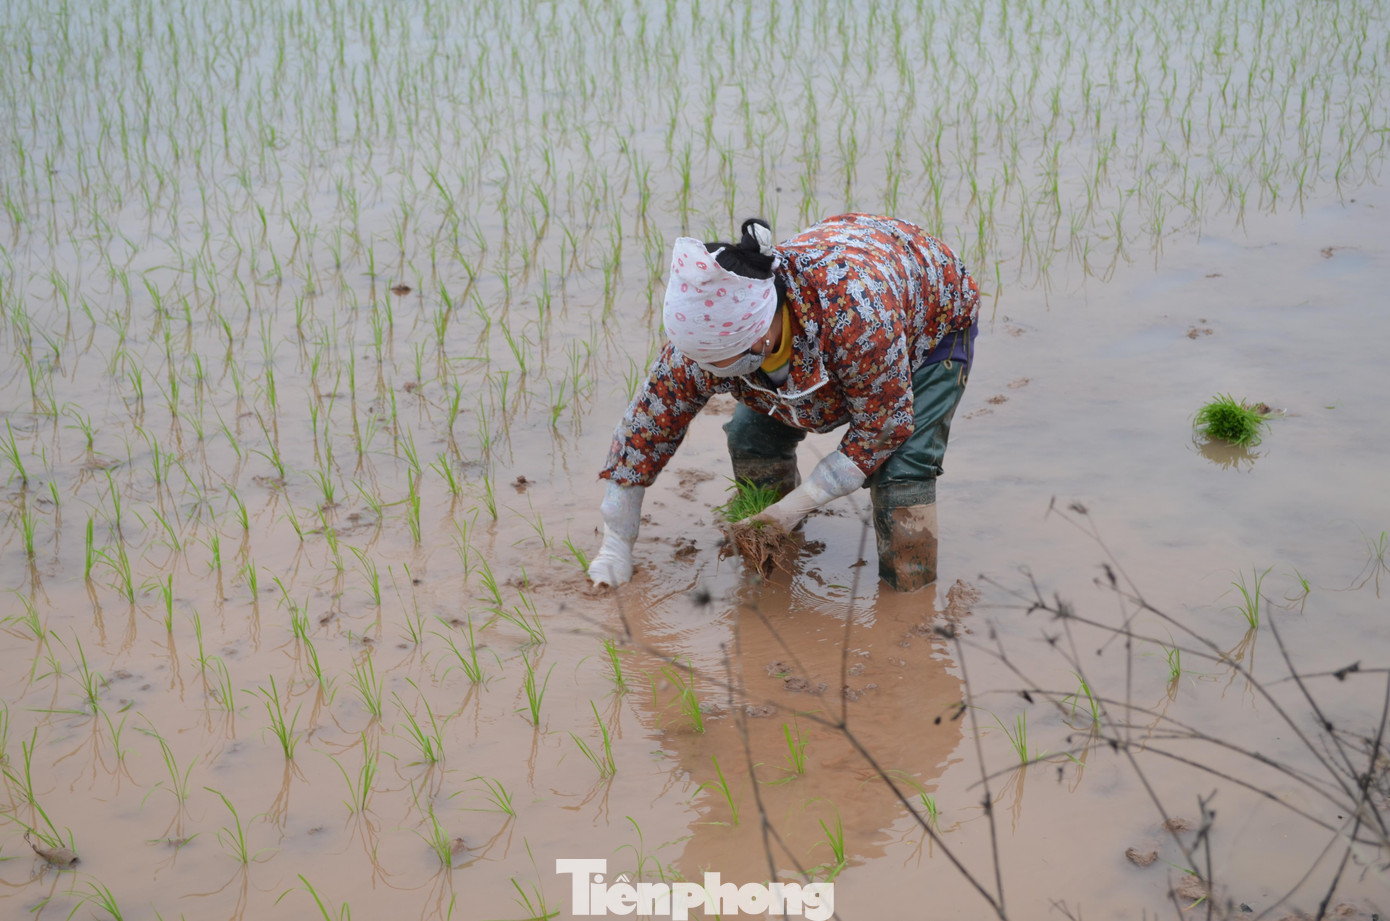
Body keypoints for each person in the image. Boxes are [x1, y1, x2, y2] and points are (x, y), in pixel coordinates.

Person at [588, 213, 979, 592]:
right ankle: (772, 549)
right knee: (749, 436)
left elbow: (882, 427)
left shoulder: (858, 316)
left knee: (900, 475)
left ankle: (909, 603)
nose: (710, 372)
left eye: (723, 362)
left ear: (760, 335)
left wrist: (800, 504)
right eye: (705, 363)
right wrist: (616, 543)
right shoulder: (704, 343)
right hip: (843, 315)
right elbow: (646, 428)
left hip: (929, 323)